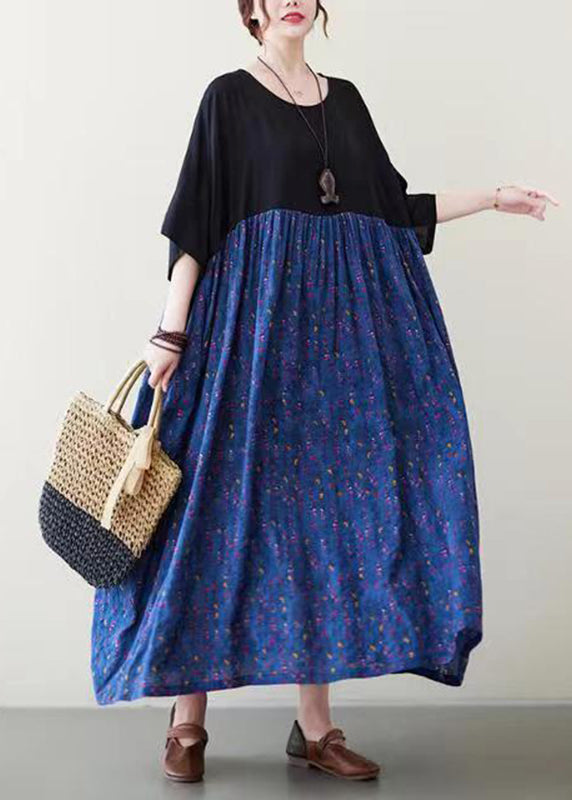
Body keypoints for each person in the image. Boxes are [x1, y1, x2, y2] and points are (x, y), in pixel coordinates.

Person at [90, 0, 559, 784]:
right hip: (244, 339)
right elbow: (194, 226)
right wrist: (170, 333)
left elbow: (391, 210)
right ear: (252, 9)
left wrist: (491, 197)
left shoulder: (346, 102)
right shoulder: (227, 98)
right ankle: (187, 718)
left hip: (330, 356)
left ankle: (315, 728)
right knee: (208, 512)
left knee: (320, 519)